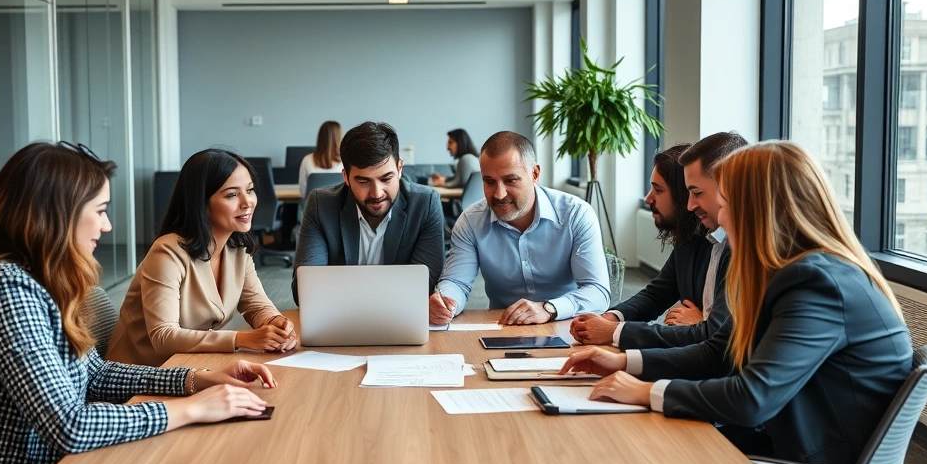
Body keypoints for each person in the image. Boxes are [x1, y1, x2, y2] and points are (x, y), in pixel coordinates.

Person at [559, 141, 913, 464]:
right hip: (785, 446)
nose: (716, 216)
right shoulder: (787, 270)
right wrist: (624, 363)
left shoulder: (816, 282)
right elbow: (719, 351)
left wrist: (646, 391)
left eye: (724, 202)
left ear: (755, 208)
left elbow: (752, 399)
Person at [0, 142, 278, 464]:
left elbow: (94, 375)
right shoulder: (5, 291)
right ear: (57, 214)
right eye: (99, 211)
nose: (107, 225)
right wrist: (192, 409)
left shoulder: (42, 281)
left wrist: (197, 379)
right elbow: (71, 426)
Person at [107, 149, 297, 367]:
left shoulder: (236, 249)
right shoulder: (168, 253)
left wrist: (276, 324)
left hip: (188, 365)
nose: (248, 202)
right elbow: (163, 336)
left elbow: (256, 305)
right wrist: (241, 339)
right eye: (232, 195)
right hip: (138, 374)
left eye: (250, 190)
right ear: (202, 204)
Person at [571, 132, 747, 349]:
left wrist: (703, 325)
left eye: (658, 190)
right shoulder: (692, 238)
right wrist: (612, 319)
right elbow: (657, 295)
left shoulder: (739, 247)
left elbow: (716, 337)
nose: (648, 198)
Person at [429, 131, 611, 326]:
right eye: (489, 182)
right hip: (502, 327)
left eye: (510, 180)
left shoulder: (575, 214)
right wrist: (446, 301)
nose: (499, 194)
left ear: (534, 174)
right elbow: (457, 282)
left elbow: (597, 292)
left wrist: (548, 308)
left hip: (566, 324)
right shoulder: (470, 222)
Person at [292, 121, 445, 304]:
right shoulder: (321, 205)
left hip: (398, 318)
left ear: (399, 169)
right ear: (346, 178)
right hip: (340, 320)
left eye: (386, 178)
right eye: (363, 181)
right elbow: (305, 289)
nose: (377, 193)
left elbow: (426, 286)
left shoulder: (425, 204)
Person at [298, 120, 344, 197]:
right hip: (338, 208)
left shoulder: (307, 160)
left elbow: (303, 193)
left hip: (312, 207)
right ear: (338, 138)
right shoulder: (345, 162)